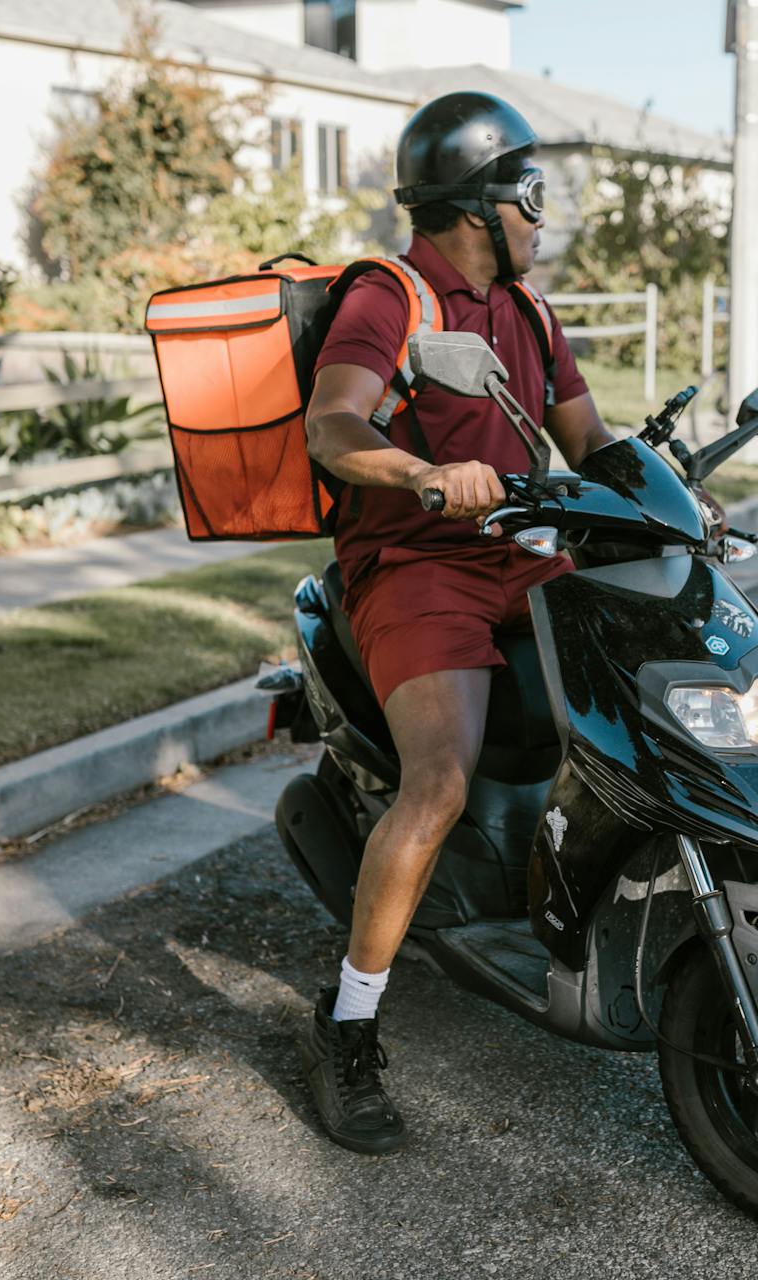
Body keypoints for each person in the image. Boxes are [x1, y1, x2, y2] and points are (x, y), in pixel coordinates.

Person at [297, 91, 617, 1153]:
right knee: (438, 780)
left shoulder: (526, 309)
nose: (543, 209)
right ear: (483, 200)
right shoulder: (391, 298)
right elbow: (334, 422)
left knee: (636, 712)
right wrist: (428, 474)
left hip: (524, 557)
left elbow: (591, 440)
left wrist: (671, 492)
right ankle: (347, 1027)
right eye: (531, 189)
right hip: (416, 564)